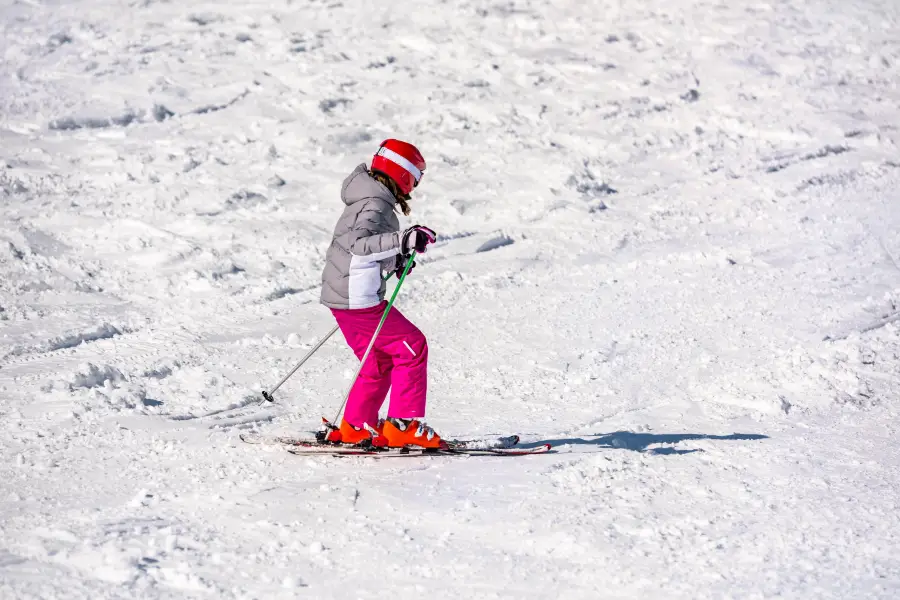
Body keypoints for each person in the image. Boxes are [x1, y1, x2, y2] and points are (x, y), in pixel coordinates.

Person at [319, 139, 443, 449]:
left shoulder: (368, 198)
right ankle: (402, 424)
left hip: (345, 294)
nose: (413, 187)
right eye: (415, 179)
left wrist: (397, 257)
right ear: (402, 174)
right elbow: (360, 245)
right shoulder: (375, 203)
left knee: (376, 362)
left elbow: (366, 249)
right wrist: (403, 238)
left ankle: (356, 427)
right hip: (357, 297)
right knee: (412, 347)